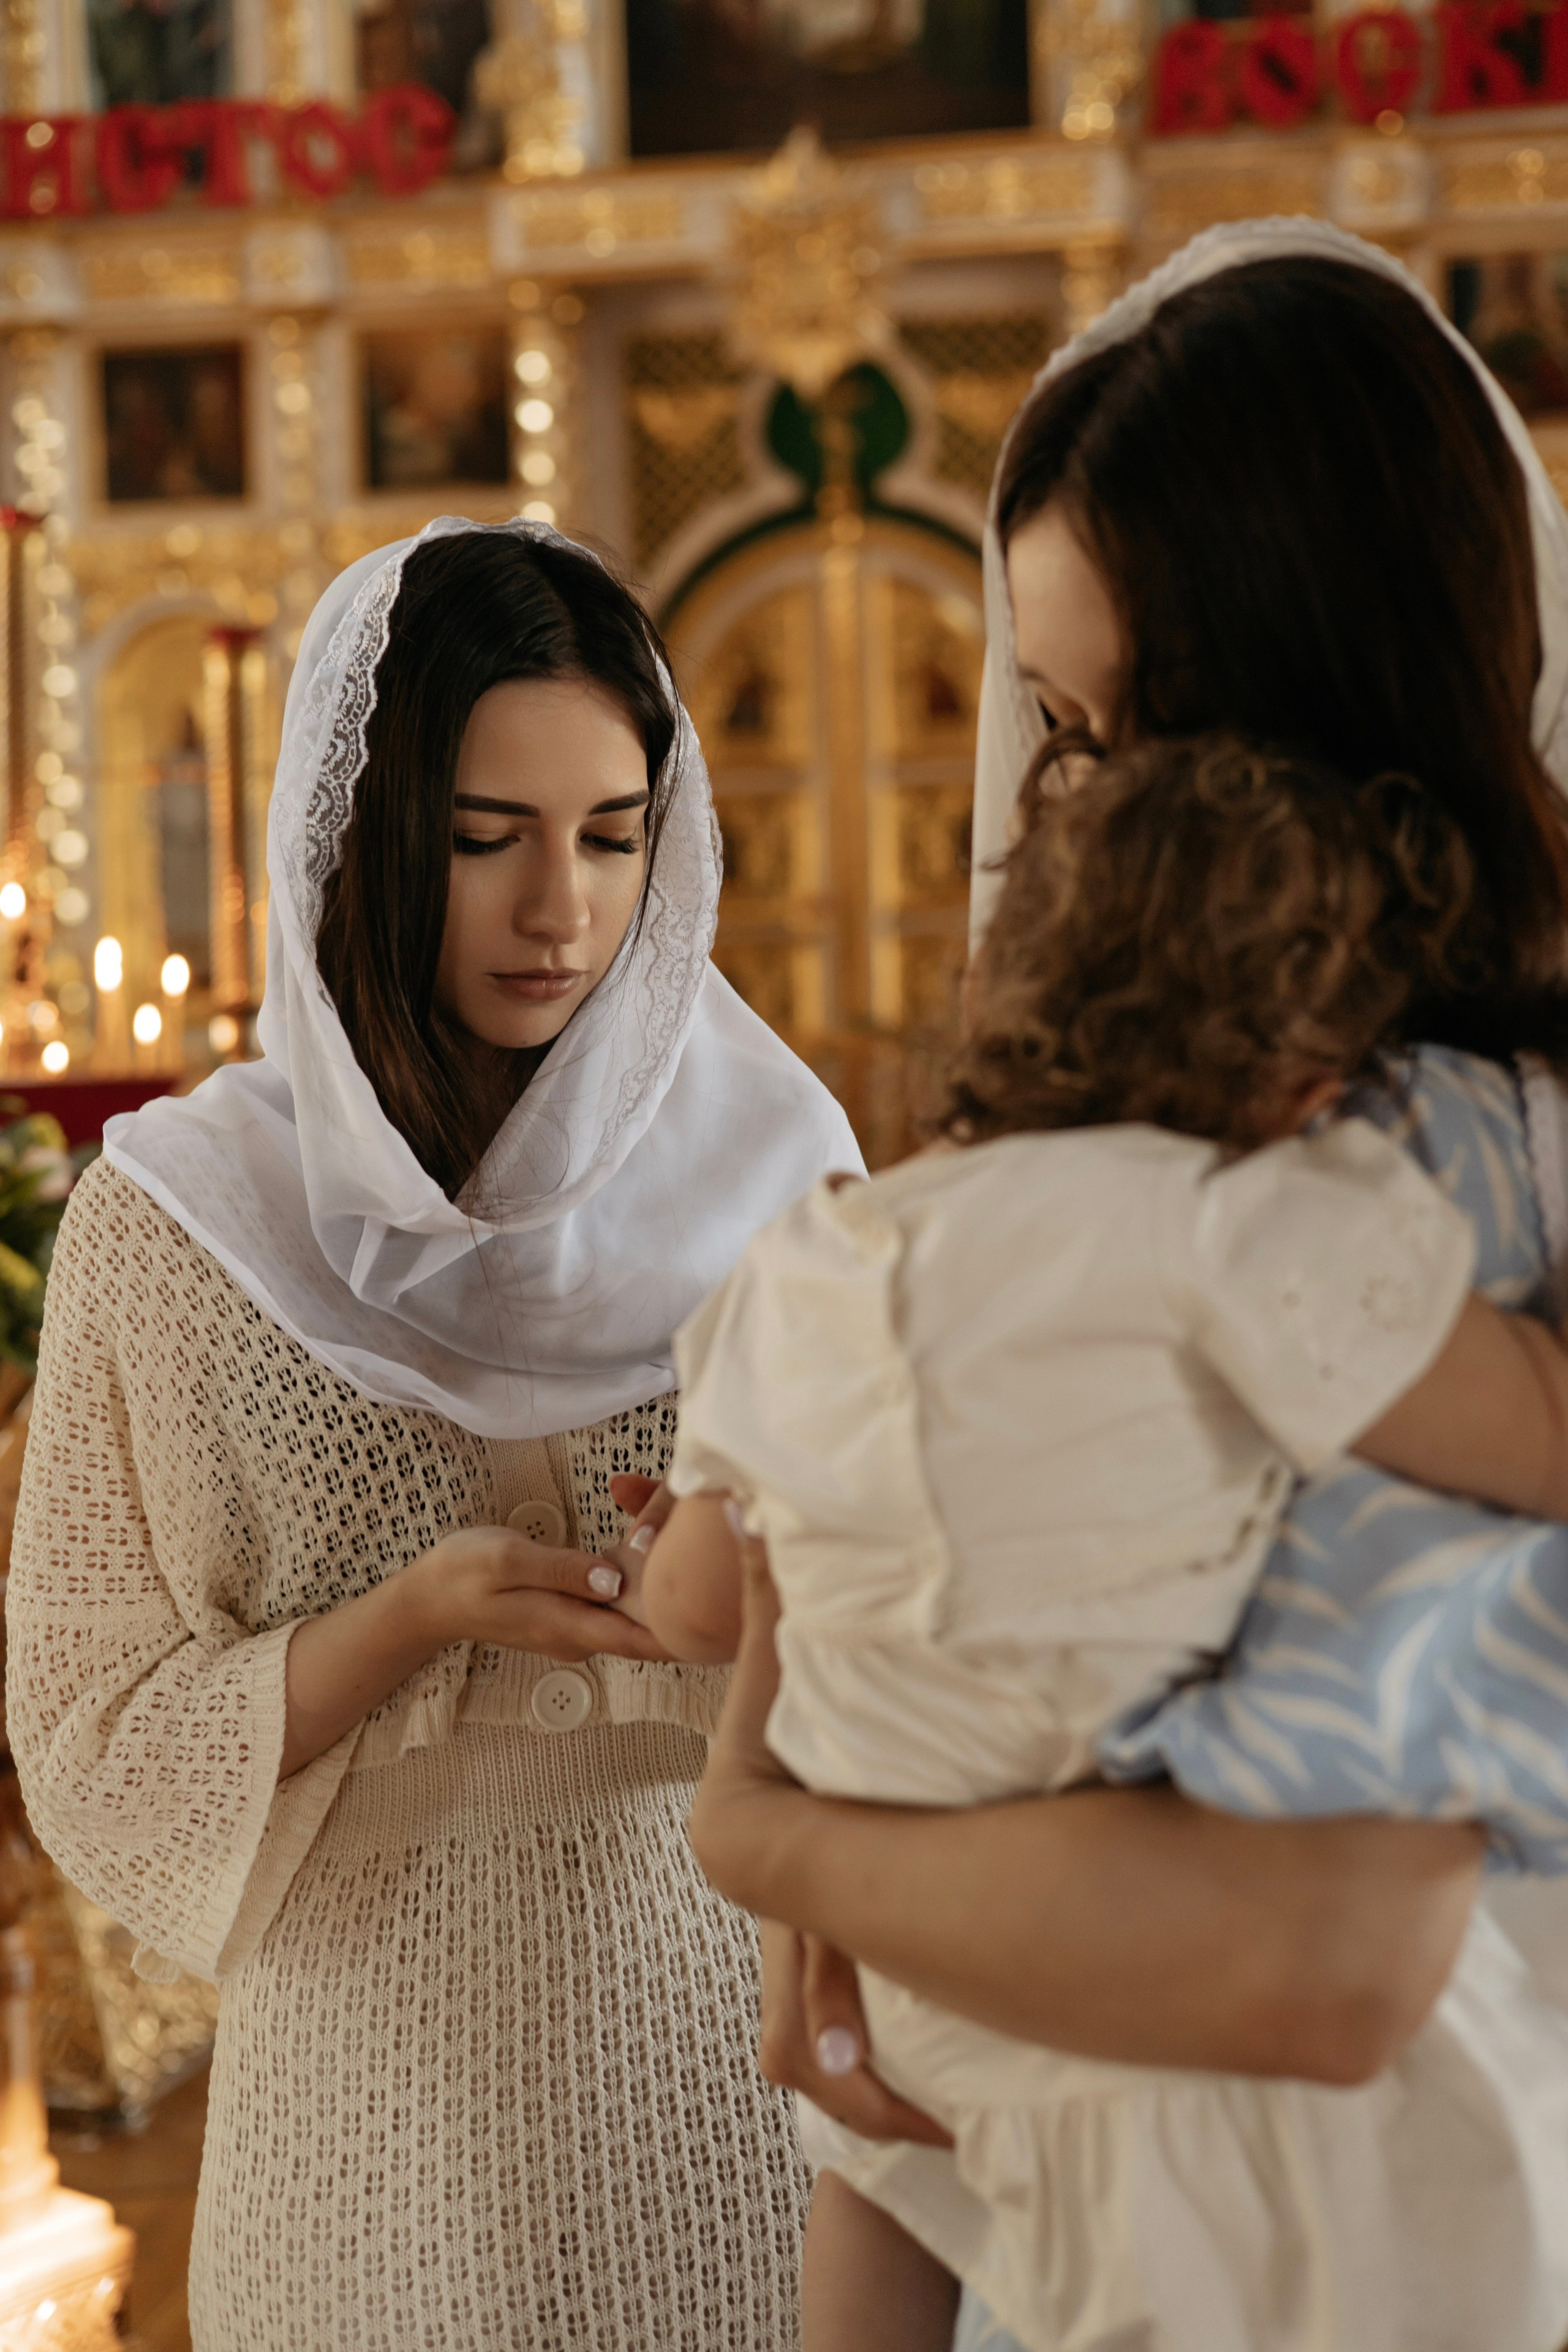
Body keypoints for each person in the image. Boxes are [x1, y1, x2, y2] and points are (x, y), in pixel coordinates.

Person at [682, 218, 1568, 2352]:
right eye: (1060, 728)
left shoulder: (1410, 1160)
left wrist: (768, 1835)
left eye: (1140, 727)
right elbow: (832, 1616)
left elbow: (1328, 1953)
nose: (1078, 814)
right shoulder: (1107, 1167)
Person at [4, 518, 861, 2352]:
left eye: (614, 839)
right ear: (366, 839)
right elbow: (81, 1732)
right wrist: (412, 1616)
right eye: (487, 842)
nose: (561, 911)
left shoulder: (783, 1183)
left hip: (740, 2095)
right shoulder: (179, 1227)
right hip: (369, 2146)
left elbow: (916, 1661)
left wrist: (747, 1622)